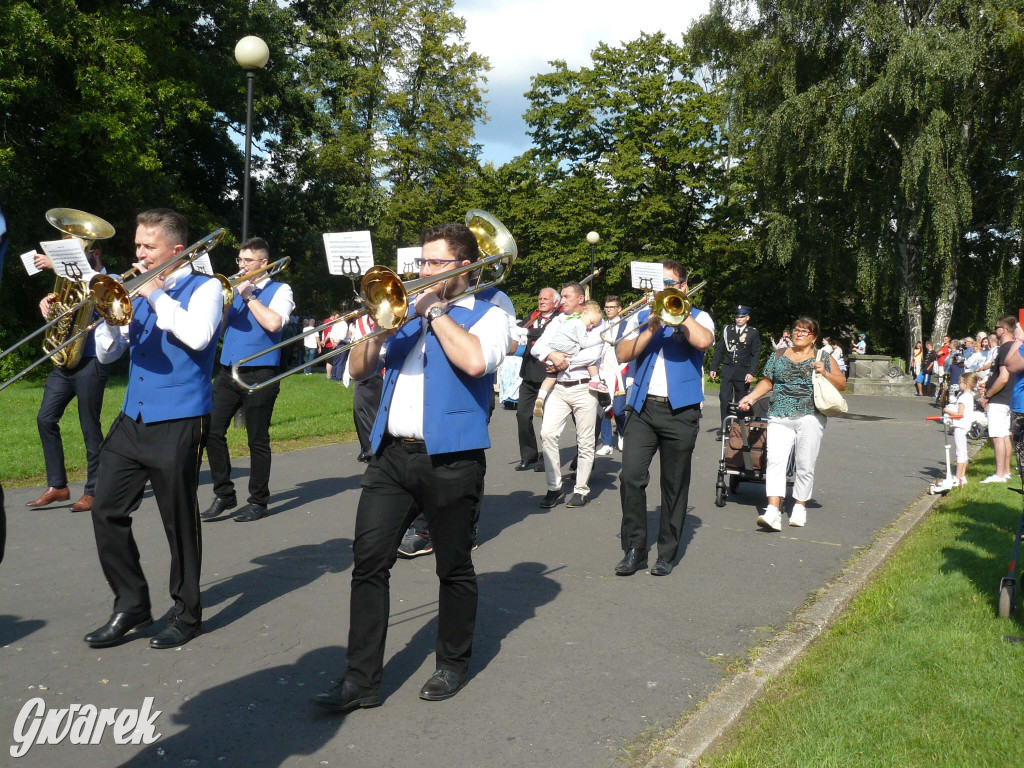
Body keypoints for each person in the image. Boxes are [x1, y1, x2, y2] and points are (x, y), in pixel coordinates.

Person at [312, 222, 510, 713]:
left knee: (454, 565)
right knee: (369, 563)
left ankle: (452, 663)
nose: (421, 272)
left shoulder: (490, 313)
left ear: (463, 266)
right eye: (420, 263)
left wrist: (436, 311)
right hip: (391, 456)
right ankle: (361, 681)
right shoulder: (404, 317)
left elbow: (474, 362)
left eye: (433, 263)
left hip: (451, 458)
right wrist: (379, 327)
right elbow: (357, 370)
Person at [85, 208, 222, 650]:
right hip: (133, 417)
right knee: (105, 508)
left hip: (180, 417)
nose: (138, 253)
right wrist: (106, 319)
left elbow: (198, 337)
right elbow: (109, 356)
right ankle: (131, 603)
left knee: (178, 522)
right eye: (138, 245)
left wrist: (156, 295)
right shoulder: (134, 293)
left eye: (148, 246)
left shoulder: (208, 289)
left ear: (176, 251)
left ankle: (187, 613)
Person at [614, 259, 714, 576]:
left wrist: (679, 314)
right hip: (642, 408)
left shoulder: (699, 316)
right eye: (661, 284)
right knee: (630, 477)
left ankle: (666, 553)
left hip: (680, 411)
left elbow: (703, 341)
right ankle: (634, 548)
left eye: (670, 284)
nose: (664, 289)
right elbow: (623, 354)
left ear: (683, 287)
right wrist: (653, 325)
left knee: (674, 484)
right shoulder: (643, 316)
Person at [202, 237, 294, 523]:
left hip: (260, 373)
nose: (241, 266)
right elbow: (218, 332)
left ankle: (258, 500)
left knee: (257, 438)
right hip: (229, 370)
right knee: (210, 431)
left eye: (247, 261)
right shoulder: (236, 291)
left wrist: (249, 296)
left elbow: (274, 323)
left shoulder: (281, 290)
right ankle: (225, 494)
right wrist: (225, 304)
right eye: (239, 261)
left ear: (263, 263)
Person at [737, 316, 847, 531]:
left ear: (813, 337)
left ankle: (799, 505)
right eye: (796, 330)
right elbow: (768, 381)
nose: (798, 333)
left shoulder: (822, 356)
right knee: (775, 462)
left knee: (805, 464)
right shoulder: (779, 354)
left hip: (810, 416)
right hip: (779, 414)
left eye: (804, 331)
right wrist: (750, 397)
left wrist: (823, 371)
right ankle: (773, 511)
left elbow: (842, 384)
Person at [25, 246, 111, 513]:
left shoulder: (114, 280)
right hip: (65, 361)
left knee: (89, 426)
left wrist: (57, 265)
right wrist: (49, 304)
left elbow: (100, 303)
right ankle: (58, 486)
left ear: (96, 253)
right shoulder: (69, 283)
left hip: (91, 361)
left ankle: (94, 490)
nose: (68, 263)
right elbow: (60, 312)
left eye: (74, 256)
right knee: (45, 418)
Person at [533, 283, 605, 509]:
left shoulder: (596, 321)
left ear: (580, 299)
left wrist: (564, 361)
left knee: (585, 441)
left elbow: (594, 353)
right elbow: (538, 348)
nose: (561, 301)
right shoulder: (558, 320)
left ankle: (581, 489)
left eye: (566, 297)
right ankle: (554, 487)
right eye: (561, 297)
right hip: (560, 388)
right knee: (547, 433)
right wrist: (552, 354)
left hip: (585, 388)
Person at [514, 288, 560, 471]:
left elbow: (546, 333)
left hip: (548, 375)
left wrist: (526, 333)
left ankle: (545, 458)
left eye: (545, 299)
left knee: (547, 421)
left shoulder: (559, 318)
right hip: (529, 373)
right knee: (522, 416)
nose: (541, 301)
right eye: (540, 298)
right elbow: (518, 329)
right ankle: (529, 455)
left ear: (555, 302)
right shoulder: (532, 316)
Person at [532, 300, 604, 417]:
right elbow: (585, 345)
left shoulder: (566, 321)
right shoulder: (580, 324)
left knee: (549, 379)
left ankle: (541, 397)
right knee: (591, 363)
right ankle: (596, 380)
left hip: (554, 350)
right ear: (584, 314)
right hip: (567, 351)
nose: (590, 327)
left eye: (593, 326)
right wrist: (599, 340)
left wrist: (551, 355)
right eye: (591, 323)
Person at [709, 304, 762, 440]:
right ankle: (725, 427)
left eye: (742, 317)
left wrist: (751, 372)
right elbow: (720, 349)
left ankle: (739, 428)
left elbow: (755, 354)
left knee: (741, 401)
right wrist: (714, 367)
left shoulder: (752, 332)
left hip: (743, 372)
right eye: (737, 316)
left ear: (747, 318)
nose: (738, 319)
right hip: (728, 370)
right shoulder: (728, 330)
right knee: (724, 399)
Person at [978, 318, 1017, 483]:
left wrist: (987, 395)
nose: (995, 331)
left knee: (997, 436)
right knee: (1004, 435)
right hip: (1008, 397)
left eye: (997, 327)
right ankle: (1006, 471)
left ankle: (999, 474)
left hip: (999, 398)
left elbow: (1003, 378)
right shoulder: (1015, 349)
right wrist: (987, 384)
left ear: (1004, 329)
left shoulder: (1004, 349)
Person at [346, 312, 382, 464]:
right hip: (363, 369)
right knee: (360, 410)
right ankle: (366, 447)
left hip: (381, 368)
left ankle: (376, 449)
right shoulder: (361, 321)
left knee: (376, 413)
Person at [597, 295, 629, 454]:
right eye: (606, 307)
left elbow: (632, 350)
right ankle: (607, 444)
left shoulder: (627, 325)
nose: (608, 309)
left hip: (620, 372)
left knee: (618, 411)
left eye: (612, 307)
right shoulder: (600, 325)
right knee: (604, 409)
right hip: (603, 371)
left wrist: (630, 375)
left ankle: (622, 433)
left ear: (619, 308)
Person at [945, 372, 978, 487]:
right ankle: (962, 476)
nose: (959, 384)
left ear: (967, 384)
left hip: (960, 425)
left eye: (960, 382)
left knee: (960, 451)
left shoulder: (964, 397)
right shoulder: (970, 396)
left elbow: (959, 414)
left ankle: (958, 477)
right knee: (963, 451)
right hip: (965, 425)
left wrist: (947, 410)